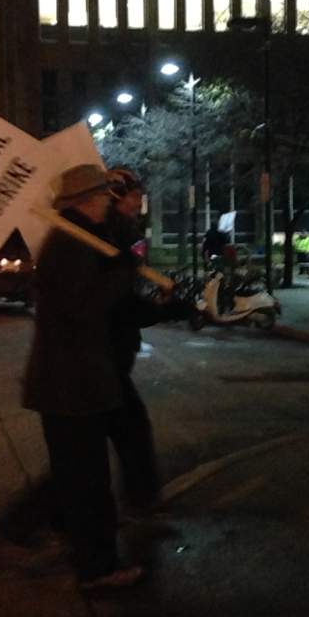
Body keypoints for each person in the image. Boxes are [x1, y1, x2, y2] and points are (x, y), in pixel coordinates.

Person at [22, 164, 146, 591]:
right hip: (71, 386)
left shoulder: (79, 238)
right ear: (86, 200)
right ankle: (97, 568)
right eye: (101, 199)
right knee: (86, 483)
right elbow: (85, 309)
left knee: (80, 479)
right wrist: (124, 273)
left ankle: (84, 553)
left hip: (76, 384)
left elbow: (104, 304)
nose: (105, 205)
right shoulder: (69, 243)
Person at [103, 167, 183, 518]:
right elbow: (119, 304)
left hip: (110, 352)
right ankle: (143, 499)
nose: (139, 203)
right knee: (128, 430)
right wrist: (163, 310)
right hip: (104, 353)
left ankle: (142, 497)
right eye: (134, 196)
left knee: (93, 440)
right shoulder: (108, 237)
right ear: (117, 196)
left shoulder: (118, 234)